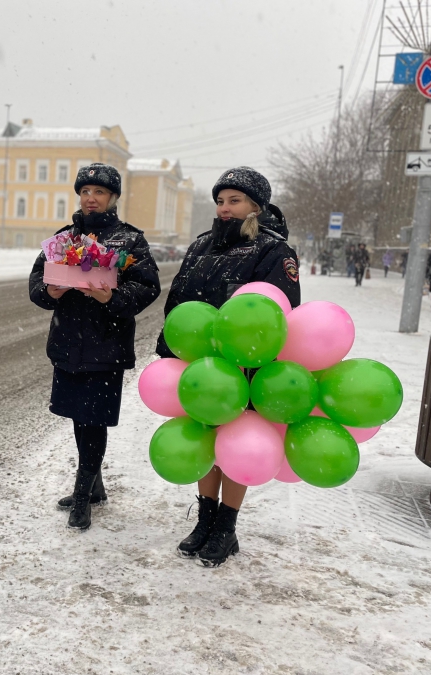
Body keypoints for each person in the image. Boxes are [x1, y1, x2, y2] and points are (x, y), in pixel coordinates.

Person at [157, 167, 300, 567]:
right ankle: (204, 519)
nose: (224, 208)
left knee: (233, 446)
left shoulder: (274, 251)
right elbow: (179, 302)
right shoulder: (202, 245)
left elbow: (281, 313)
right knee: (206, 440)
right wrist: (171, 347)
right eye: (220, 200)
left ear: (256, 205)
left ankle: (226, 527)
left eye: (234, 200)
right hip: (201, 365)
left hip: (246, 366)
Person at [29, 163, 160, 531]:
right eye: (85, 191)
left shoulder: (130, 241)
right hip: (68, 341)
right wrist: (49, 292)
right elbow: (37, 282)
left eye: (99, 192)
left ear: (113, 198)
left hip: (106, 345)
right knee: (77, 415)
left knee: (94, 419)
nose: (91, 198)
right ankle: (95, 485)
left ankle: (83, 496)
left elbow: (147, 286)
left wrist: (112, 298)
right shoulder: (63, 239)